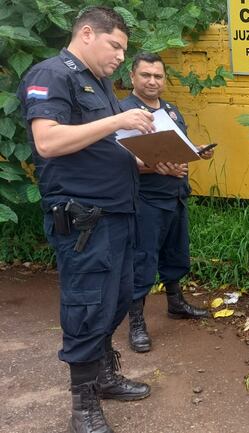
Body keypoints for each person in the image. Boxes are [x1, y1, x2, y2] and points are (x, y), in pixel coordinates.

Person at [17, 7, 155, 433]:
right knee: (88, 305)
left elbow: (102, 148)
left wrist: (153, 161)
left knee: (119, 297)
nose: (119, 57)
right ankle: (83, 405)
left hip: (118, 214)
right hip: (85, 221)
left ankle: (103, 375)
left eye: (123, 50)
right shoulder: (52, 74)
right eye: (115, 46)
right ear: (88, 34)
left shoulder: (97, 84)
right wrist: (120, 118)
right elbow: (48, 141)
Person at [120, 52, 214, 354]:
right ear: (132, 77)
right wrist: (156, 164)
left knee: (175, 253)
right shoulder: (124, 111)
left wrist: (195, 151)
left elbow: (177, 147)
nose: (152, 81)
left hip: (175, 196)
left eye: (157, 76)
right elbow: (120, 159)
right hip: (145, 200)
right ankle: (136, 323)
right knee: (142, 260)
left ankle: (176, 304)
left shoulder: (172, 110)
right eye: (145, 75)